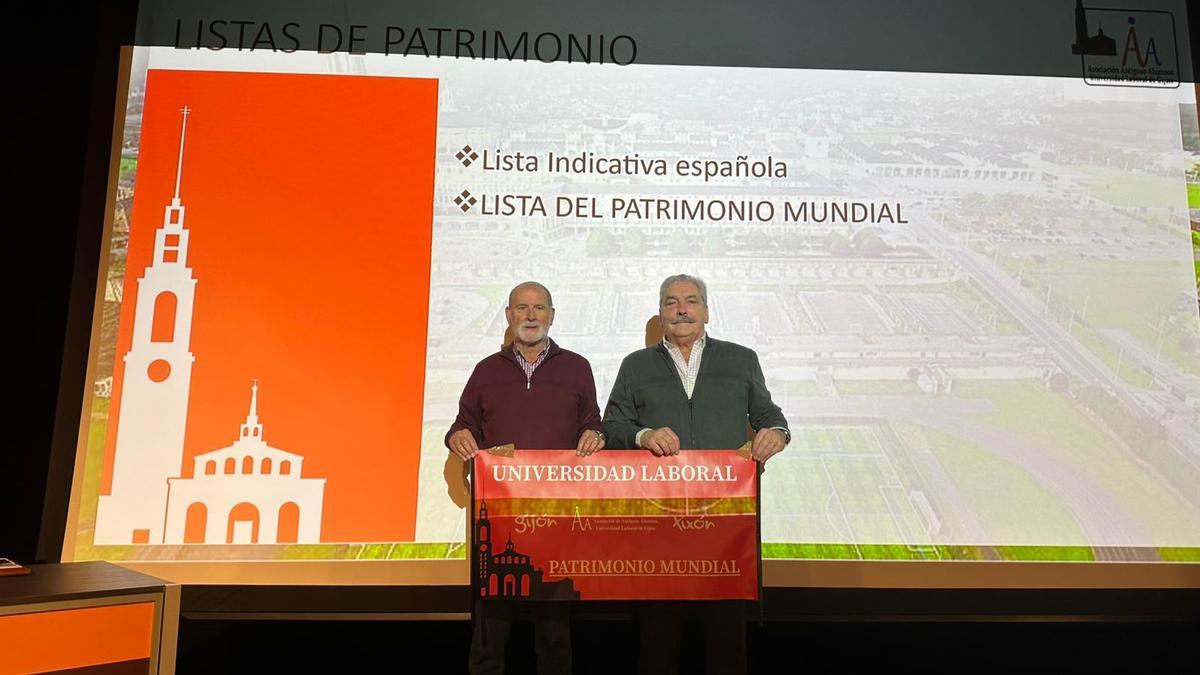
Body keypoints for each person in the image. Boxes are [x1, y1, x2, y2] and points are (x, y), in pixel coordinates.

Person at [603, 274, 789, 675]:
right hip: (657, 522)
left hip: (723, 521)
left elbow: (770, 417)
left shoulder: (741, 359)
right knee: (657, 642)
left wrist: (776, 432)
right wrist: (643, 434)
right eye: (671, 303)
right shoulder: (635, 365)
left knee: (726, 643)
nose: (681, 309)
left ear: (706, 310)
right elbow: (612, 426)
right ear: (660, 313)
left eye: (690, 301)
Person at [447, 281, 606, 675]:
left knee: (554, 636)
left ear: (552, 315)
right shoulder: (486, 370)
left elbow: (593, 423)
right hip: (499, 520)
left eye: (539, 308)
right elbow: (461, 425)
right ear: (508, 316)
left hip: (557, 517)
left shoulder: (577, 367)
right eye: (522, 308)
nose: (531, 315)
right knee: (490, 634)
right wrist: (458, 437)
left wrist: (596, 436)